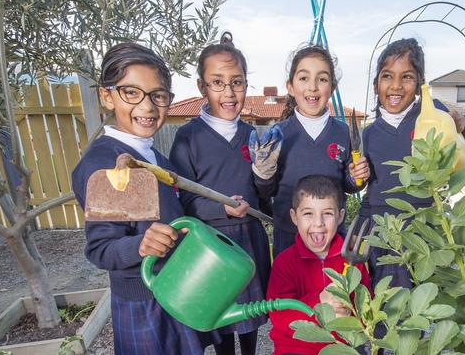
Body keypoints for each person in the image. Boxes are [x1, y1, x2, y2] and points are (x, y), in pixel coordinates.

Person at [72, 43, 216, 354]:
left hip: (174, 291)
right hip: (144, 303)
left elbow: (177, 210)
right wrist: (141, 244)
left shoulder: (155, 160)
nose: (148, 106)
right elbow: (100, 249)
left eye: (158, 95)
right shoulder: (106, 165)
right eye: (132, 93)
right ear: (107, 95)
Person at [169, 32, 269, 355]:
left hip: (249, 241)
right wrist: (221, 210)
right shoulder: (188, 138)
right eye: (217, 82)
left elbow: (264, 192)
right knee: (222, 320)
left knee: (249, 319)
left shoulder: (253, 136)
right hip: (211, 246)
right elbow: (182, 199)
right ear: (202, 87)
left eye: (237, 82)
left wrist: (268, 180)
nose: (229, 92)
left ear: (245, 85)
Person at [360, 38, 465, 289]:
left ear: (419, 84)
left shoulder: (433, 115)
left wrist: (463, 125)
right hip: (383, 232)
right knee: (381, 301)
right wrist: (360, 232)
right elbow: (371, 189)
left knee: (413, 305)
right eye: (387, 76)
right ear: (376, 85)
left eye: (406, 77)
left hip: (422, 228)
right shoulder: (370, 133)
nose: (395, 86)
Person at [251, 45, 370, 258]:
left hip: (332, 239)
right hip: (289, 238)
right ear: (290, 86)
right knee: (289, 292)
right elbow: (266, 192)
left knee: (334, 292)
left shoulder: (343, 132)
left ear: (332, 88)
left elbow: (348, 186)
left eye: (322, 79)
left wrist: (356, 178)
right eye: (304, 78)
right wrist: (263, 175)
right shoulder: (278, 135)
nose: (313, 87)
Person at [266, 175, 371, 355]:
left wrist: (349, 314)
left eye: (328, 213)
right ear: (294, 216)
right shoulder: (285, 262)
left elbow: (367, 310)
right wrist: (319, 303)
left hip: (344, 348)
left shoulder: (353, 261)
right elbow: (279, 316)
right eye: (308, 213)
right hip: (296, 348)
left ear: (340, 216)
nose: (318, 223)